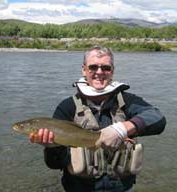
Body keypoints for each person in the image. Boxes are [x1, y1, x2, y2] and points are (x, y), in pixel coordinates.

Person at [29, 45, 166, 192]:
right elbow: (54, 164)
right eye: (93, 67)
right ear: (84, 70)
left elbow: (158, 119)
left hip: (122, 188)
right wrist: (52, 147)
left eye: (106, 68)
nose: (99, 72)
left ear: (112, 71)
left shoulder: (127, 101)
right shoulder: (67, 107)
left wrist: (123, 128)